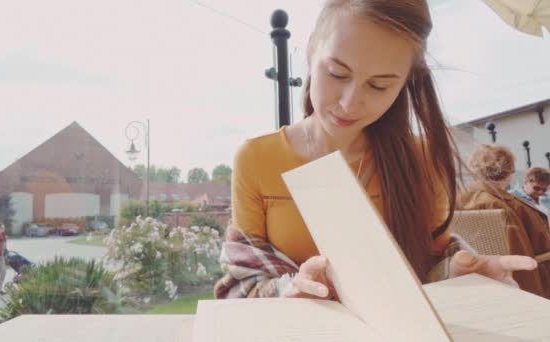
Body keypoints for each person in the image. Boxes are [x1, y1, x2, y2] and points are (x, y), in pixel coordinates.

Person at [214, 0, 537, 300]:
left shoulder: (420, 159)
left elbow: (432, 261)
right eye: (337, 73)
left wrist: (459, 272)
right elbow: (242, 283)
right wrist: (290, 289)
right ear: (312, 47)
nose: (349, 103)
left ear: (406, 82)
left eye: (379, 85)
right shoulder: (257, 158)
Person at [458, 144, 550, 298]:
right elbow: (533, 251)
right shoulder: (512, 206)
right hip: (525, 281)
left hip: (476, 279)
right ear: (510, 173)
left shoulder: (458, 202)